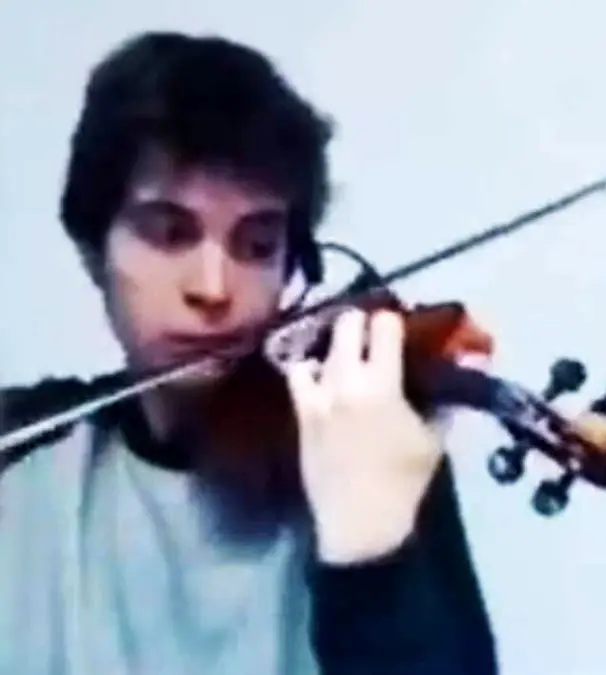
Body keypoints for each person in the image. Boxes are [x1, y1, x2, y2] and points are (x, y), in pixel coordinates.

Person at [0, 31, 497, 674]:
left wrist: (373, 559)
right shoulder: (22, 453)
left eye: (258, 246)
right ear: (95, 250)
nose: (214, 289)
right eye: (168, 233)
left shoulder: (366, 444)